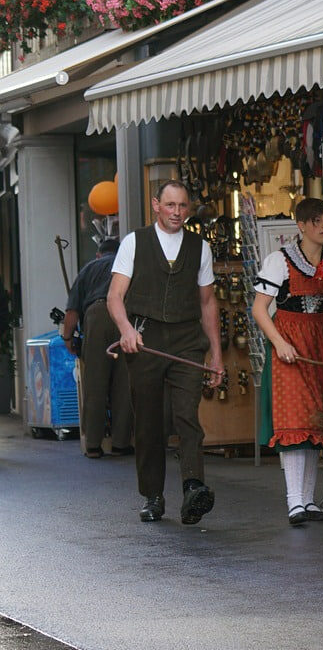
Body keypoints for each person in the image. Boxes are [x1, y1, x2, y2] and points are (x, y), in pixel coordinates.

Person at [107, 180, 223, 524]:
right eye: (170, 205)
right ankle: (153, 495)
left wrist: (216, 354)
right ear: (156, 205)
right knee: (150, 420)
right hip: (145, 337)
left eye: (183, 206)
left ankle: (193, 487)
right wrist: (127, 330)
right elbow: (115, 296)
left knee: (188, 414)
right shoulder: (134, 242)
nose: (177, 212)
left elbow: (207, 303)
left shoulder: (200, 247)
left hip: (187, 337)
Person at [251, 198, 323, 526]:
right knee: (294, 419)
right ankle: (295, 501)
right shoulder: (279, 261)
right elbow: (259, 309)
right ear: (302, 225)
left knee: (315, 422)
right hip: (291, 341)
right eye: (317, 221)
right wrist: (279, 342)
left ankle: (307, 501)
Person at [61, 237, 133, 458]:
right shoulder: (127, 266)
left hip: (97, 315)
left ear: (98, 254)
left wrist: (67, 338)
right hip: (124, 316)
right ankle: (120, 443)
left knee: (95, 382)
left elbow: (72, 312)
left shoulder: (88, 269)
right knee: (124, 383)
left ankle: (93, 445)